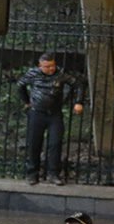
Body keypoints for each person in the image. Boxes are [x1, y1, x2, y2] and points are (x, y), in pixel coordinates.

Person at [16, 52, 85, 186]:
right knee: (34, 143)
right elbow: (20, 85)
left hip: (54, 113)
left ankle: (53, 174)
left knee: (55, 143)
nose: (50, 69)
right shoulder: (33, 74)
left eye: (52, 66)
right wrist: (26, 101)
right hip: (37, 112)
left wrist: (79, 102)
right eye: (47, 67)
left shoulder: (60, 74)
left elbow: (78, 84)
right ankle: (32, 173)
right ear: (40, 66)